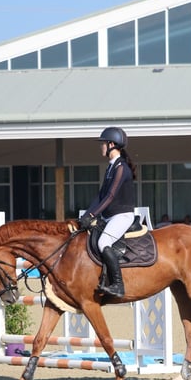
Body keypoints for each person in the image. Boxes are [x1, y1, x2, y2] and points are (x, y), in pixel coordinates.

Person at [79, 127, 136, 298]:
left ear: (111, 144)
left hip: (122, 216)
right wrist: (86, 215)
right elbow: (101, 196)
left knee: (103, 242)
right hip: (110, 216)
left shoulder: (121, 168)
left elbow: (111, 196)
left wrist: (92, 215)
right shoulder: (111, 167)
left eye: (103, 144)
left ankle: (118, 284)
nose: (101, 147)